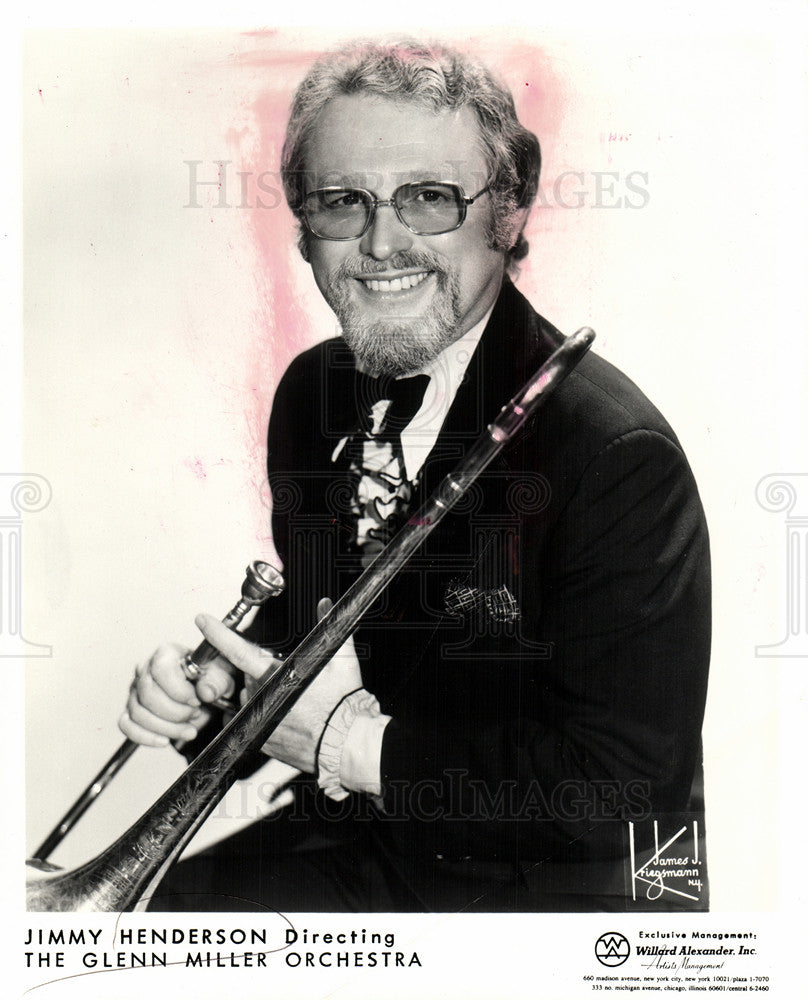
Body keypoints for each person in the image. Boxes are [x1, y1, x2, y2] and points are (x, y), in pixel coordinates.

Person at [121, 40, 711, 912]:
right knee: (125, 945)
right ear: (303, 225)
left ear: (507, 213)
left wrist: (347, 744)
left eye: (429, 198)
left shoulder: (617, 458)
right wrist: (216, 696)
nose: (382, 243)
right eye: (341, 202)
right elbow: (351, 635)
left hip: (553, 895)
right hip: (365, 843)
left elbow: (619, 795)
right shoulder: (313, 393)